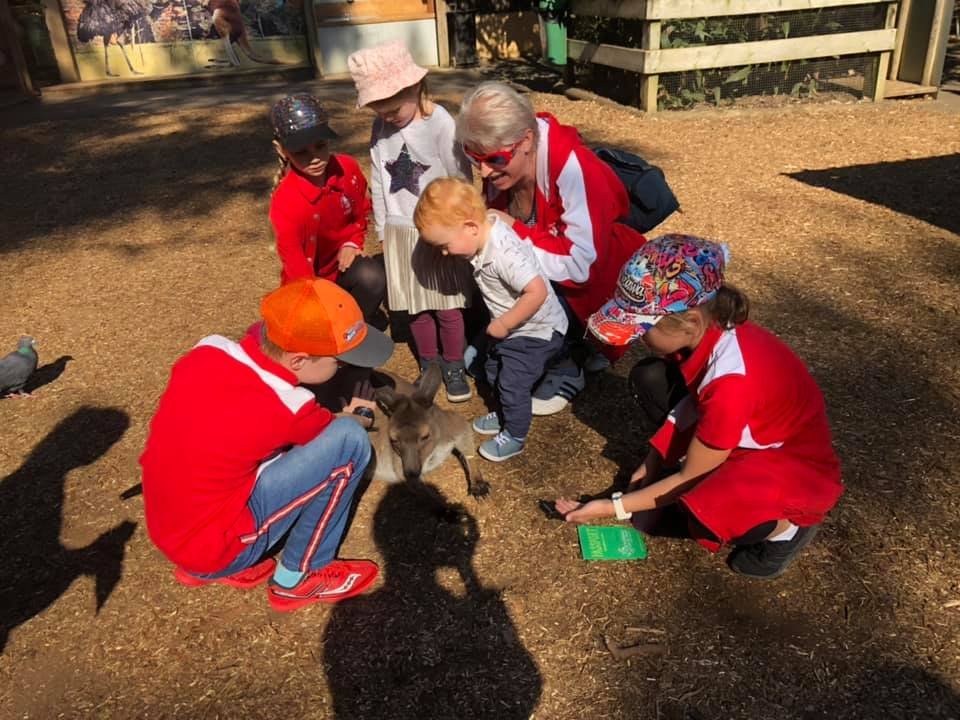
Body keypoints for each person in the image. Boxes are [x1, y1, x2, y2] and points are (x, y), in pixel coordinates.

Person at [556, 235, 843, 579]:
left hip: (791, 469)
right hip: (746, 433)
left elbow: (692, 471)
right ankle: (678, 486)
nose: (636, 339)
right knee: (652, 378)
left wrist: (611, 507)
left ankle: (785, 530)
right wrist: (653, 460)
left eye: (642, 329)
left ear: (691, 321)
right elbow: (692, 402)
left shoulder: (731, 383)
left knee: (707, 506)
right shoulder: (711, 332)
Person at [139, 279, 394, 611]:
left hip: (173, 530)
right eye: (340, 362)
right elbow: (333, 431)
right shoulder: (290, 406)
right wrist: (359, 413)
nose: (344, 368)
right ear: (299, 361)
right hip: (218, 546)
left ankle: (198, 568)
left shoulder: (208, 350)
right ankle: (300, 577)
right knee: (349, 442)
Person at [455, 81, 647, 415]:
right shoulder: (505, 164)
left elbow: (580, 266)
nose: (483, 170)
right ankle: (521, 346)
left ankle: (570, 357)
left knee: (526, 277)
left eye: (493, 158)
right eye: (474, 157)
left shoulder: (574, 168)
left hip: (593, 281)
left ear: (526, 140)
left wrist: (514, 231)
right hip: (546, 268)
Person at [348, 41, 475, 403]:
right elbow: (379, 179)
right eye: (379, 110)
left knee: (446, 304)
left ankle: (453, 364)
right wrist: (383, 229)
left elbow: (459, 175)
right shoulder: (380, 129)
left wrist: (459, 222)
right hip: (401, 228)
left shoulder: (439, 122)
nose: (387, 116)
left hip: (439, 227)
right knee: (417, 307)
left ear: (415, 87)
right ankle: (430, 363)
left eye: (392, 108)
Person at [414, 177, 567, 462]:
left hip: (535, 330)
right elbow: (493, 215)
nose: (445, 253)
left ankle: (515, 434)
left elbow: (537, 291)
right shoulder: (485, 226)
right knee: (494, 368)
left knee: (512, 383)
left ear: (471, 227)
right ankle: (508, 413)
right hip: (515, 326)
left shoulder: (503, 256)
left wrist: (506, 323)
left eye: (445, 246)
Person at [269, 93, 387, 329]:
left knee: (372, 277)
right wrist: (318, 302)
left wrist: (352, 242)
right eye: (302, 152)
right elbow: (296, 266)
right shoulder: (285, 201)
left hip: (344, 272)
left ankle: (354, 329)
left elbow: (361, 211)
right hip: (309, 284)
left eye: (321, 146)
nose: (314, 159)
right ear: (281, 150)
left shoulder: (347, 169)